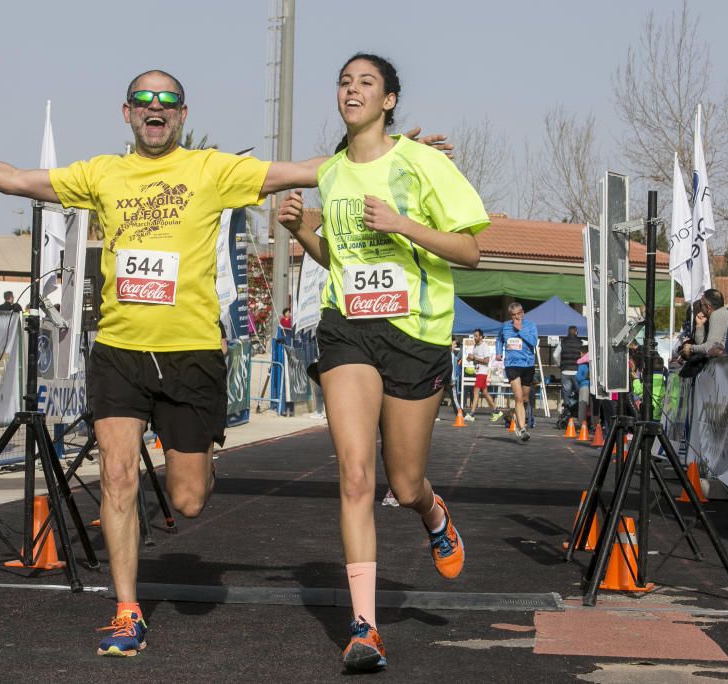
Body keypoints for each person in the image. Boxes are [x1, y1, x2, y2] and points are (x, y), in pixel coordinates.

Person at [0, 68, 449, 659]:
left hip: (190, 357)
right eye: (143, 100)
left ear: (182, 115)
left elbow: (310, 169)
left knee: (188, 499)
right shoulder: (101, 174)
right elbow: (12, 180)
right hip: (119, 350)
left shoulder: (212, 169)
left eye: (167, 101)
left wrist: (396, 152)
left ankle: (195, 465)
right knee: (116, 475)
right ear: (127, 113)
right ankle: (127, 610)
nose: (154, 108)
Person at [277, 53, 488, 672]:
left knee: (402, 483)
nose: (352, 90)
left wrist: (403, 225)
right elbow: (339, 262)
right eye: (343, 81)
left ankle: (431, 510)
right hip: (348, 331)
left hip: (416, 335)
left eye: (365, 82)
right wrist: (299, 234)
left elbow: (472, 252)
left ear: (389, 100)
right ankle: (364, 627)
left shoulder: (423, 164)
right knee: (354, 474)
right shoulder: (333, 173)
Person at [495, 302, 538, 442]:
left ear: (523, 313)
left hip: (528, 365)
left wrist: (520, 330)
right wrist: (498, 352)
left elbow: (533, 342)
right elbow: (499, 339)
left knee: (524, 399)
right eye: (513, 315)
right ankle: (523, 428)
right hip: (512, 365)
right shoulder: (505, 327)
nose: (516, 317)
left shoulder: (530, 326)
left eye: (518, 314)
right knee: (518, 397)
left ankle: (514, 416)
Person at [681, 289, 728, 358]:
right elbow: (702, 345)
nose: (700, 308)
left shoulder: (717, 315)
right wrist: (700, 325)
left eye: (701, 305)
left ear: (708, 307)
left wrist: (691, 348)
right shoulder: (720, 313)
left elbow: (709, 348)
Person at [465, 329, 496, 420]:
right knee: (485, 393)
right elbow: (471, 358)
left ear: (481, 337)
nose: (474, 337)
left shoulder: (484, 346)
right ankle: (497, 411)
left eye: (476, 336)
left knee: (475, 391)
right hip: (478, 371)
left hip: (482, 372)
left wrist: (475, 357)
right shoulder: (475, 346)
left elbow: (486, 361)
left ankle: (472, 413)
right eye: (474, 336)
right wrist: (469, 357)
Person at [554, 325, 582, 418]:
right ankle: (579, 414)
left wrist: (559, 364)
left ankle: (566, 415)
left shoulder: (562, 342)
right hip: (577, 372)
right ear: (576, 332)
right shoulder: (581, 342)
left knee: (566, 394)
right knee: (579, 394)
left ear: (568, 332)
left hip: (565, 371)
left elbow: (555, 355)